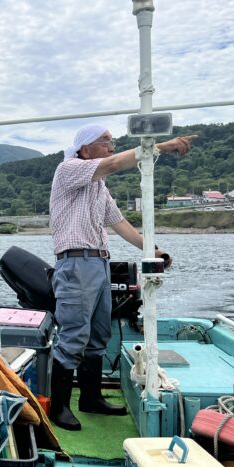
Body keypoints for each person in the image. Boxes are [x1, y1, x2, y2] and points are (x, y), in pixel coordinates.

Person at [48, 123, 195, 431]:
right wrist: (165, 147)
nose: (111, 145)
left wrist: (153, 249)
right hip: (76, 264)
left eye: (112, 140)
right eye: (105, 140)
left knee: (99, 335)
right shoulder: (69, 168)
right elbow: (114, 164)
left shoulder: (99, 187)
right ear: (85, 148)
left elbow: (120, 223)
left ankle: (91, 398)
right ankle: (58, 408)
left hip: (99, 263)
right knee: (74, 335)